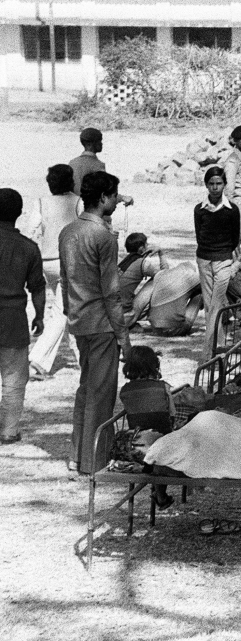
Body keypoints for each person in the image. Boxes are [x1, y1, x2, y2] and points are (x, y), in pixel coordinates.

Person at [60, 171, 129, 474]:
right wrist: (124, 338)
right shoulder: (104, 236)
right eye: (114, 195)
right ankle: (94, 462)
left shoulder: (68, 232)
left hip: (79, 321)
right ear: (103, 198)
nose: (116, 200)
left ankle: (78, 455)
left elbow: (65, 281)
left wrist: (71, 313)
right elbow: (111, 294)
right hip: (101, 324)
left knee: (85, 390)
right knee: (100, 395)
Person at [0, 189, 44, 445]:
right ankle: (8, 431)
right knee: (14, 380)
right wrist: (39, 316)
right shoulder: (28, 248)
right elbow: (37, 286)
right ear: (19, 213)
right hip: (13, 319)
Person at [28, 164, 80, 377]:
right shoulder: (78, 202)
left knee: (64, 308)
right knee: (63, 311)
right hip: (68, 262)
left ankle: (81, 357)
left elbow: (32, 231)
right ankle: (36, 361)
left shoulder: (40, 202)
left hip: (46, 261)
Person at [118, 346, 175, 509]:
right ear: (154, 365)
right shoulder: (163, 387)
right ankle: (161, 495)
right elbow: (172, 414)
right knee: (165, 441)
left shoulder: (125, 390)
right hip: (160, 448)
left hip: (136, 447)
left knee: (154, 445)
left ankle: (160, 495)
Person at [194, 167, 241, 360]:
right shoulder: (199, 209)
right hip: (204, 259)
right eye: (211, 184)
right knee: (210, 304)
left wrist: (226, 256)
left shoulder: (233, 210)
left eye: (218, 183)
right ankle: (219, 345)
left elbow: (234, 238)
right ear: (206, 185)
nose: (215, 187)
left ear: (224, 185)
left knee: (214, 304)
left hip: (223, 260)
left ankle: (208, 354)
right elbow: (199, 235)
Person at [130, 261, 203, 337]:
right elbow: (209, 285)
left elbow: (142, 300)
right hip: (176, 329)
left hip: (156, 329)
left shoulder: (162, 275)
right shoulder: (191, 276)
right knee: (201, 292)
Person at [119, 233, 168, 325]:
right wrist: (161, 253)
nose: (148, 246)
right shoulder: (143, 264)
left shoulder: (123, 260)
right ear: (141, 248)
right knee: (156, 280)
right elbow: (165, 276)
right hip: (125, 315)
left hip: (111, 313)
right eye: (147, 244)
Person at [69, 128, 106, 195]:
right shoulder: (98, 165)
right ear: (89, 144)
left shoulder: (72, 163)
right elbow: (102, 192)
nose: (101, 144)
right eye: (99, 141)